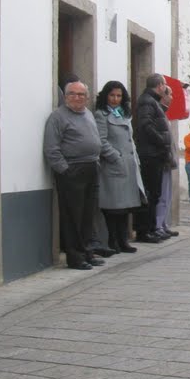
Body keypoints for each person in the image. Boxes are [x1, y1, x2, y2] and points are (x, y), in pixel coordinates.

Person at [43, 81, 119, 269]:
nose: (77, 97)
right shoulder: (58, 117)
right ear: (66, 96)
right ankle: (75, 257)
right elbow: (51, 148)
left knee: (88, 214)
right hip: (72, 170)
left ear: (86, 97)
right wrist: (65, 170)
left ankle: (87, 251)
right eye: (73, 94)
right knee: (73, 215)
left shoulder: (87, 115)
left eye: (81, 94)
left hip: (92, 167)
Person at [93, 81, 144, 254]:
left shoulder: (124, 114)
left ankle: (123, 241)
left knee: (125, 208)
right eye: (112, 95)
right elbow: (101, 140)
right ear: (106, 96)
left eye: (119, 96)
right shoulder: (101, 114)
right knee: (113, 207)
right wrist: (115, 156)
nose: (115, 99)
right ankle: (113, 241)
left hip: (128, 167)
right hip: (113, 166)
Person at [133, 73, 172, 243]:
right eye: (164, 85)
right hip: (150, 154)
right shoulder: (147, 101)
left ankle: (151, 228)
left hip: (155, 153)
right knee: (149, 193)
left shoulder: (152, 101)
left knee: (154, 193)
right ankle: (144, 230)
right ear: (160, 86)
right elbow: (146, 125)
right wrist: (161, 141)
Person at [155, 86, 179, 238]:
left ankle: (163, 223)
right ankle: (158, 225)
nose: (172, 97)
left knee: (167, 194)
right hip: (162, 158)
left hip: (168, 158)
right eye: (170, 94)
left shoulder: (163, 112)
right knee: (161, 194)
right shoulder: (158, 112)